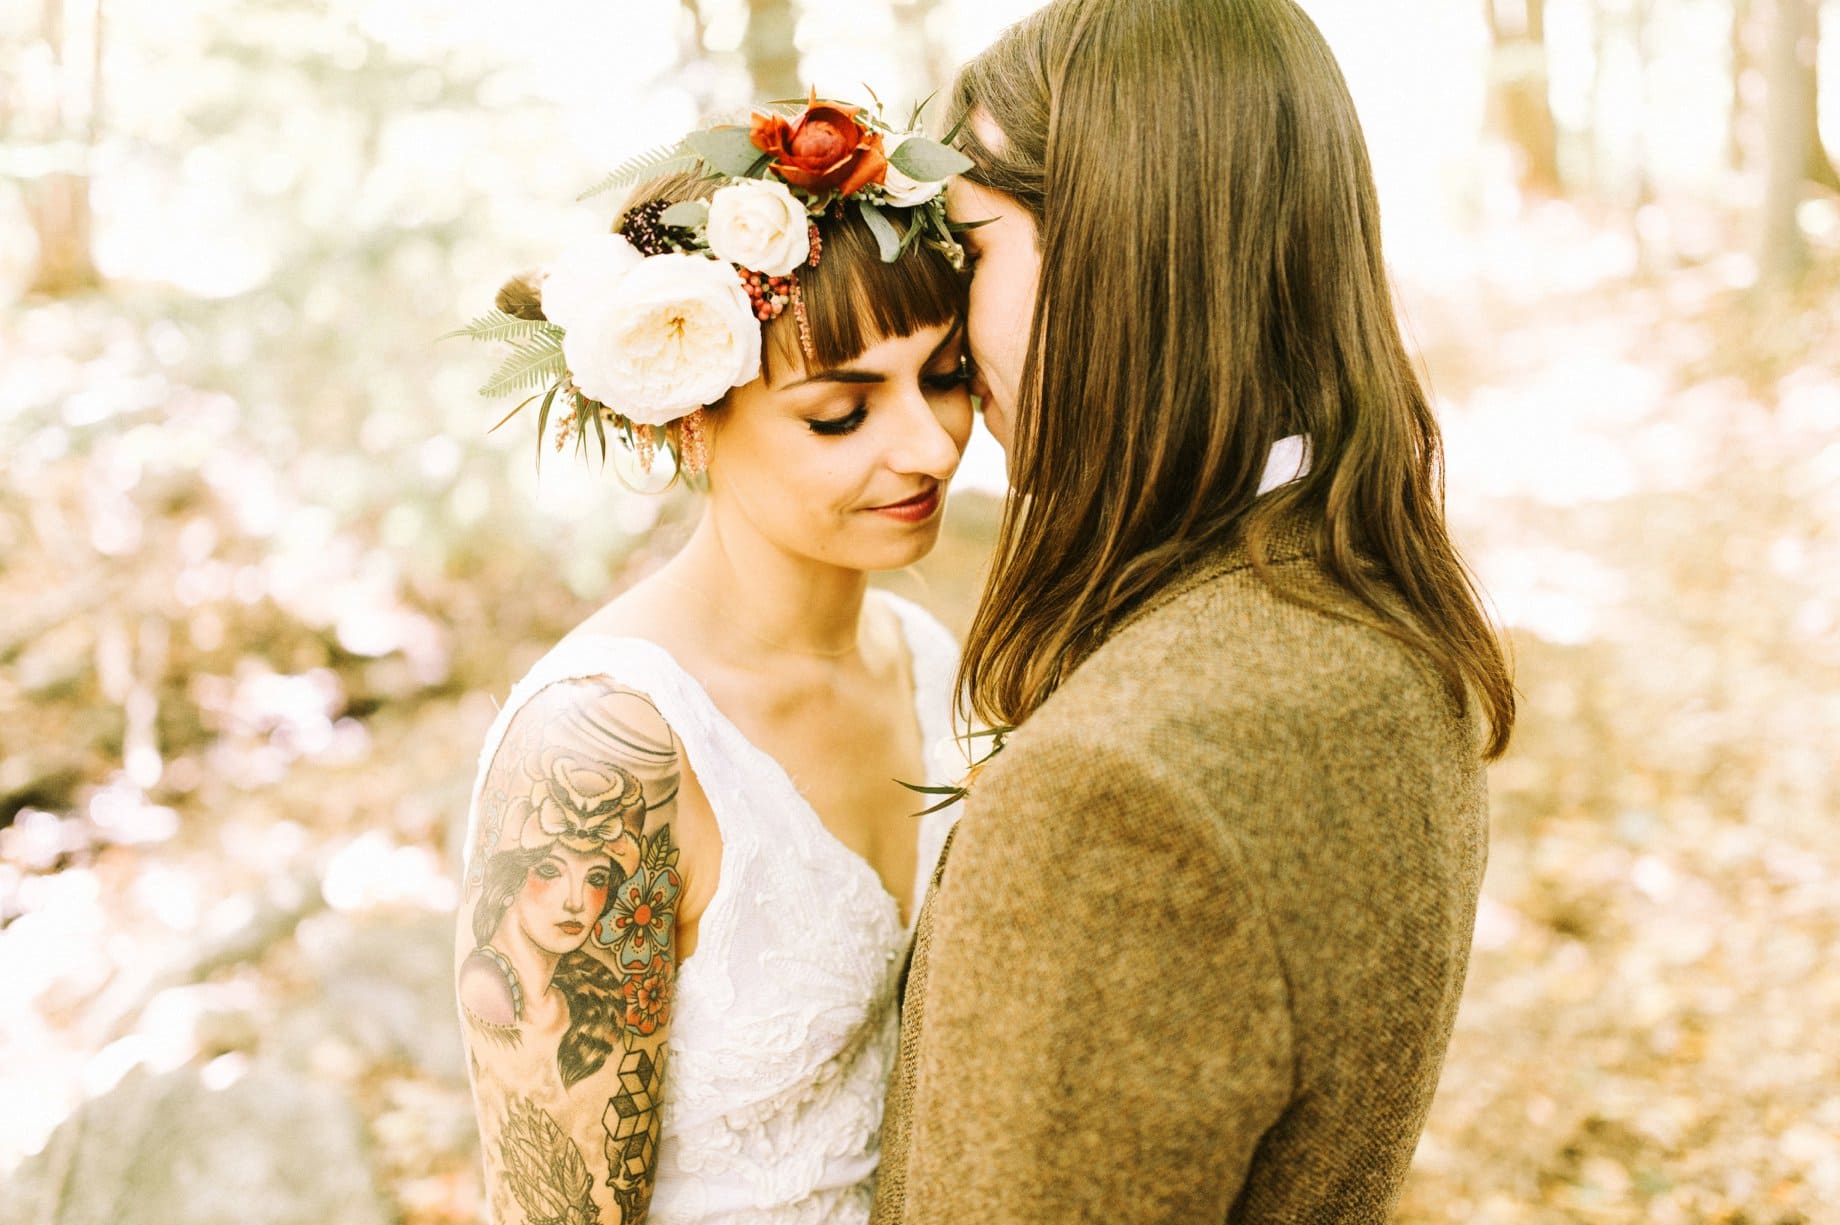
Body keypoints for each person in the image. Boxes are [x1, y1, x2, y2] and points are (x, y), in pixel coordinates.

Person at [872, 1, 1518, 1221]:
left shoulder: (1116, 794)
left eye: (975, 246)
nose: (951, 328)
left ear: (1128, 244)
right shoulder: (1374, 622)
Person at [454, 92, 982, 1225]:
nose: (929, 444)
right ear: (686, 416)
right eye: (840, 413)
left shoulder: (927, 662)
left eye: (945, 376)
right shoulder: (604, 748)